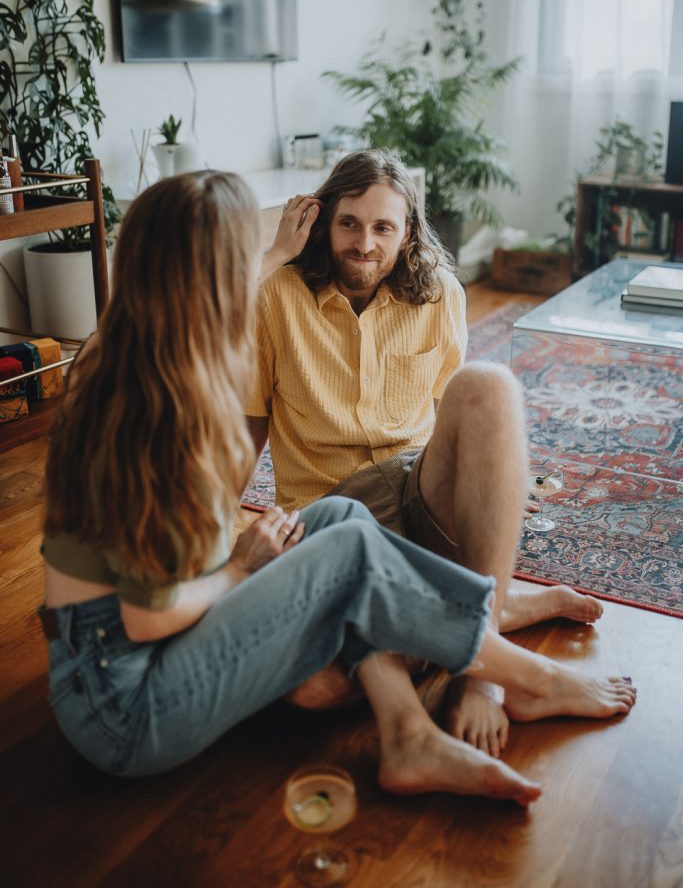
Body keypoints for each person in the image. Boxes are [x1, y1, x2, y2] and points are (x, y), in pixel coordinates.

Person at [39, 170, 635, 803]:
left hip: (118, 661)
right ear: (209, 281)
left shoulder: (126, 353)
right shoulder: (153, 413)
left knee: (339, 523)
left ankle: (409, 734)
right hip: (120, 703)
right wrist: (241, 571)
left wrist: (272, 254)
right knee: (344, 551)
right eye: (245, 256)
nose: (257, 272)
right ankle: (526, 675)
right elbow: (144, 614)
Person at [247, 149, 605, 756]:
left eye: (383, 227)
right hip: (329, 520)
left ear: (407, 231)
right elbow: (248, 428)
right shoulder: (275, 295)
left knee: (490, 385)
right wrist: (220, 540)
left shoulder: (439, 293)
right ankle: (484, 609)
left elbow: (461, 431)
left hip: (414, 492)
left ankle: (477, 669)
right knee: (314, 690)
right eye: (349, 224)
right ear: (322, 220)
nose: (365, 245)